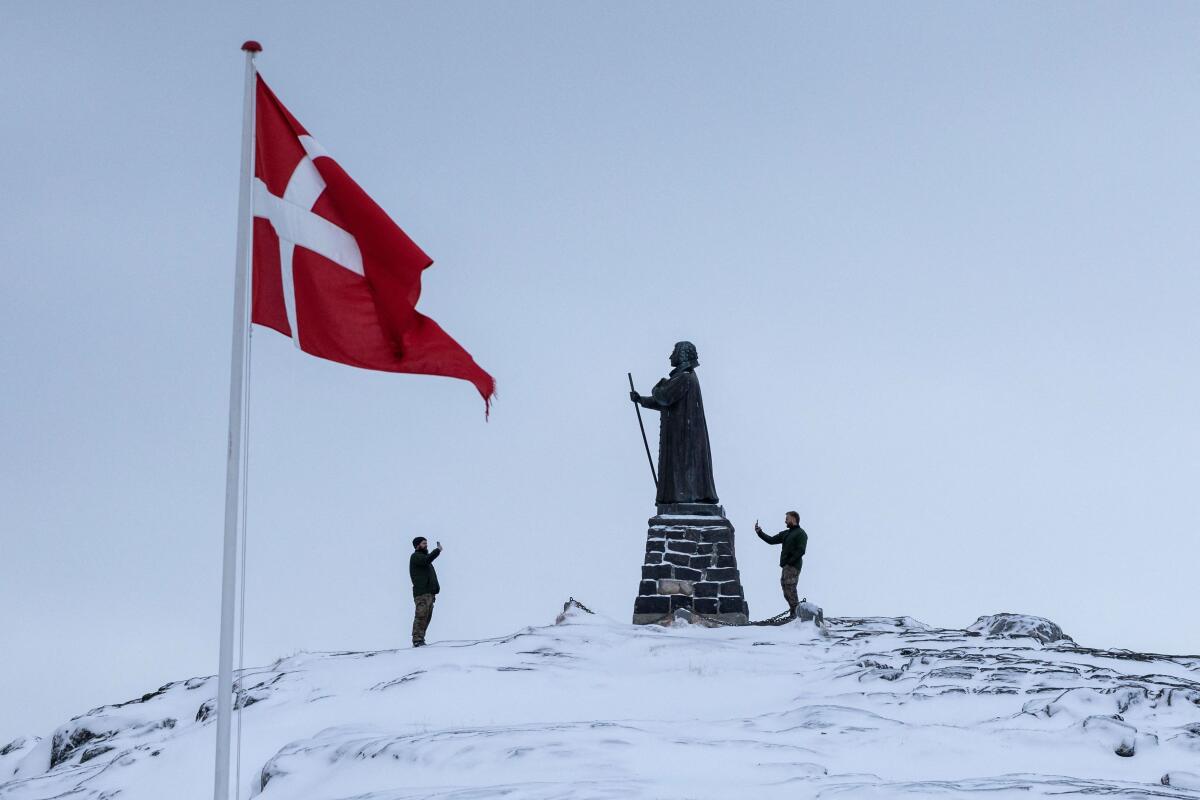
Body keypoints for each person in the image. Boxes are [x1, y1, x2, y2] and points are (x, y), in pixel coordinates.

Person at [628, 341, 719, 507]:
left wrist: (660, 385)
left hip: (683, 435)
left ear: (683, 354)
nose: (670, 356)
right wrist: (641, 399)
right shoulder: (685, 376)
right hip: (683, 433)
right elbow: (665, 402)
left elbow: (663, 397)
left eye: (674, 352)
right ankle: (684, 496)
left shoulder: (684, 377)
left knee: (682, 467)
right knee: (682, 468)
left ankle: (685, 497)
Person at [755, 512, 808, 617]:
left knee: (790, 587)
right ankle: (794, 612)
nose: (785, 521)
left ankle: (797, 614)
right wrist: (760, 532)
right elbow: (771, 540)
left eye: (787, 519)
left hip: (793, 566)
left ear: (793, 519)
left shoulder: (801, 533)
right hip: (786, 566)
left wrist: (790, 561)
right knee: (785, 588)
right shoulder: (786, 533)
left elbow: (801, 550)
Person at [409, 537, 443, 647]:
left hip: (429, 594)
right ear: (417, 545)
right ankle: (417, 640)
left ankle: (421, 639)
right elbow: (426, 560)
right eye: (424, 543)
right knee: (421, 616)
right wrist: (437, 550)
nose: (426, 545)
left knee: (427, 618)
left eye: (426, 543)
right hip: (421, 593)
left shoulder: (425, 558)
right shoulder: (416, 557)